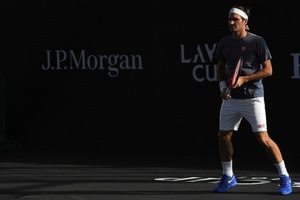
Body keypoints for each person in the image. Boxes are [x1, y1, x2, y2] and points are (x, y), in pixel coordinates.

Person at [213, 5, 292, 195]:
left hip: (253, 98)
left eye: (236, 20)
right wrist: (223, 88)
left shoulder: (257, 42)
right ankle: (228, 176)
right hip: (231, 99)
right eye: (230, 19)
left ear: (245, 22)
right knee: (223, 136)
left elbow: (268, 70)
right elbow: (221, 68)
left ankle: (284, 177)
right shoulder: (225, 42)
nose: (232, 23)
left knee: (263, 139)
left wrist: (244, 79)